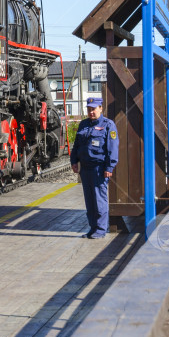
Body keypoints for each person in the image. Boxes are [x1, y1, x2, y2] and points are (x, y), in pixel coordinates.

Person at [70, 97, 119, 239]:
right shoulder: (84, 124)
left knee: (99, 200)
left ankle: (101, 229)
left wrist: (109, 167)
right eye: (89, 109)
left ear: (101, 108)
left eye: (94, 109)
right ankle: (93, 228)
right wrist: (74, 160)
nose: (91, 112)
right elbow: (77, 145)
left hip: (99, 169)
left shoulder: (108, 125)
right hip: (85, 169)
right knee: (90, 201)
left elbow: (113, 148)